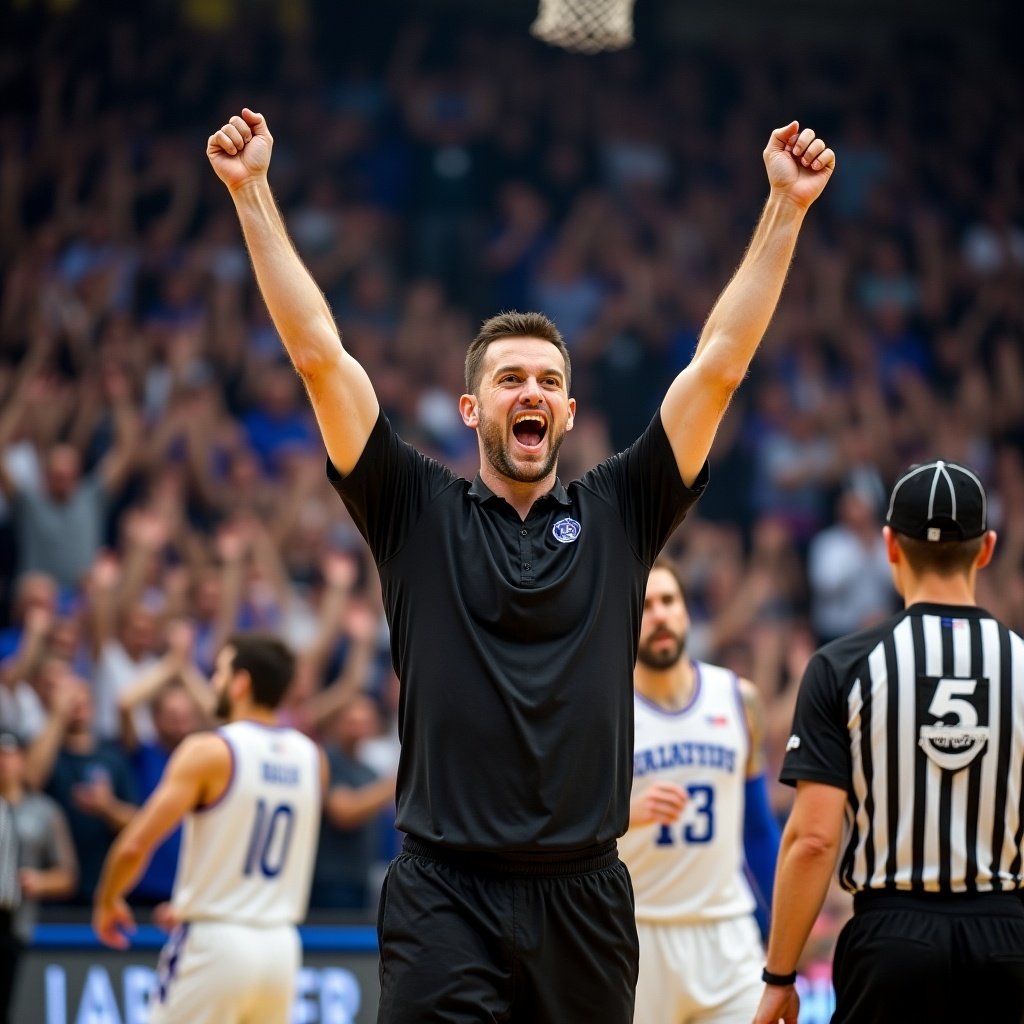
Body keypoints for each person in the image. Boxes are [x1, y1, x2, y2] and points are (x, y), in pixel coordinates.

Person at [207, 106, 834, 1022]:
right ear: (471, 409)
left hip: (585, 892)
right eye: (509, 379)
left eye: (547, 380)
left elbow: (721, 365)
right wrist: (252, 190)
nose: (530, 392)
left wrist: (786, 207)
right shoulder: (414, 509)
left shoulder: (621, 510)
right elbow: (318, 357)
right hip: (442, 891)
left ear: (571, 413)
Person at [753, 459, 1024, 1024]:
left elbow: (812, 841)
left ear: (890, 547)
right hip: (1007, 939)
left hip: (890, 941)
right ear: (987, 548)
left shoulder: (840, 667)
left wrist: (780, 976)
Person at [93, 634, 326, 1024]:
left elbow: (135, 845)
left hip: (216, 943)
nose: (214, 683)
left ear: (241, 683)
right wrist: (201, 895)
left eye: (219, 672)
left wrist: (107, 900)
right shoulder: (313, 758)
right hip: (281, 948)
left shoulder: (210, 751)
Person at [620, 559, 780, 1024]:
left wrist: (782, 933)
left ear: (687, 613)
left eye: (669, 601)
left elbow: (757, 830)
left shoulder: (738, 699)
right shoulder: (603, 714)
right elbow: (563, 825)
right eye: (645, 605)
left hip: (726, 935)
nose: (660, 615)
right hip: (637, 934)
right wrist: (625, 813)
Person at [0, 729, 78, 1024]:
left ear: (22, 760)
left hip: (17, 923)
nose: (3, 763)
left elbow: (68, 874)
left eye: (8, 755)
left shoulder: (45, 811)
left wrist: (40, 881)